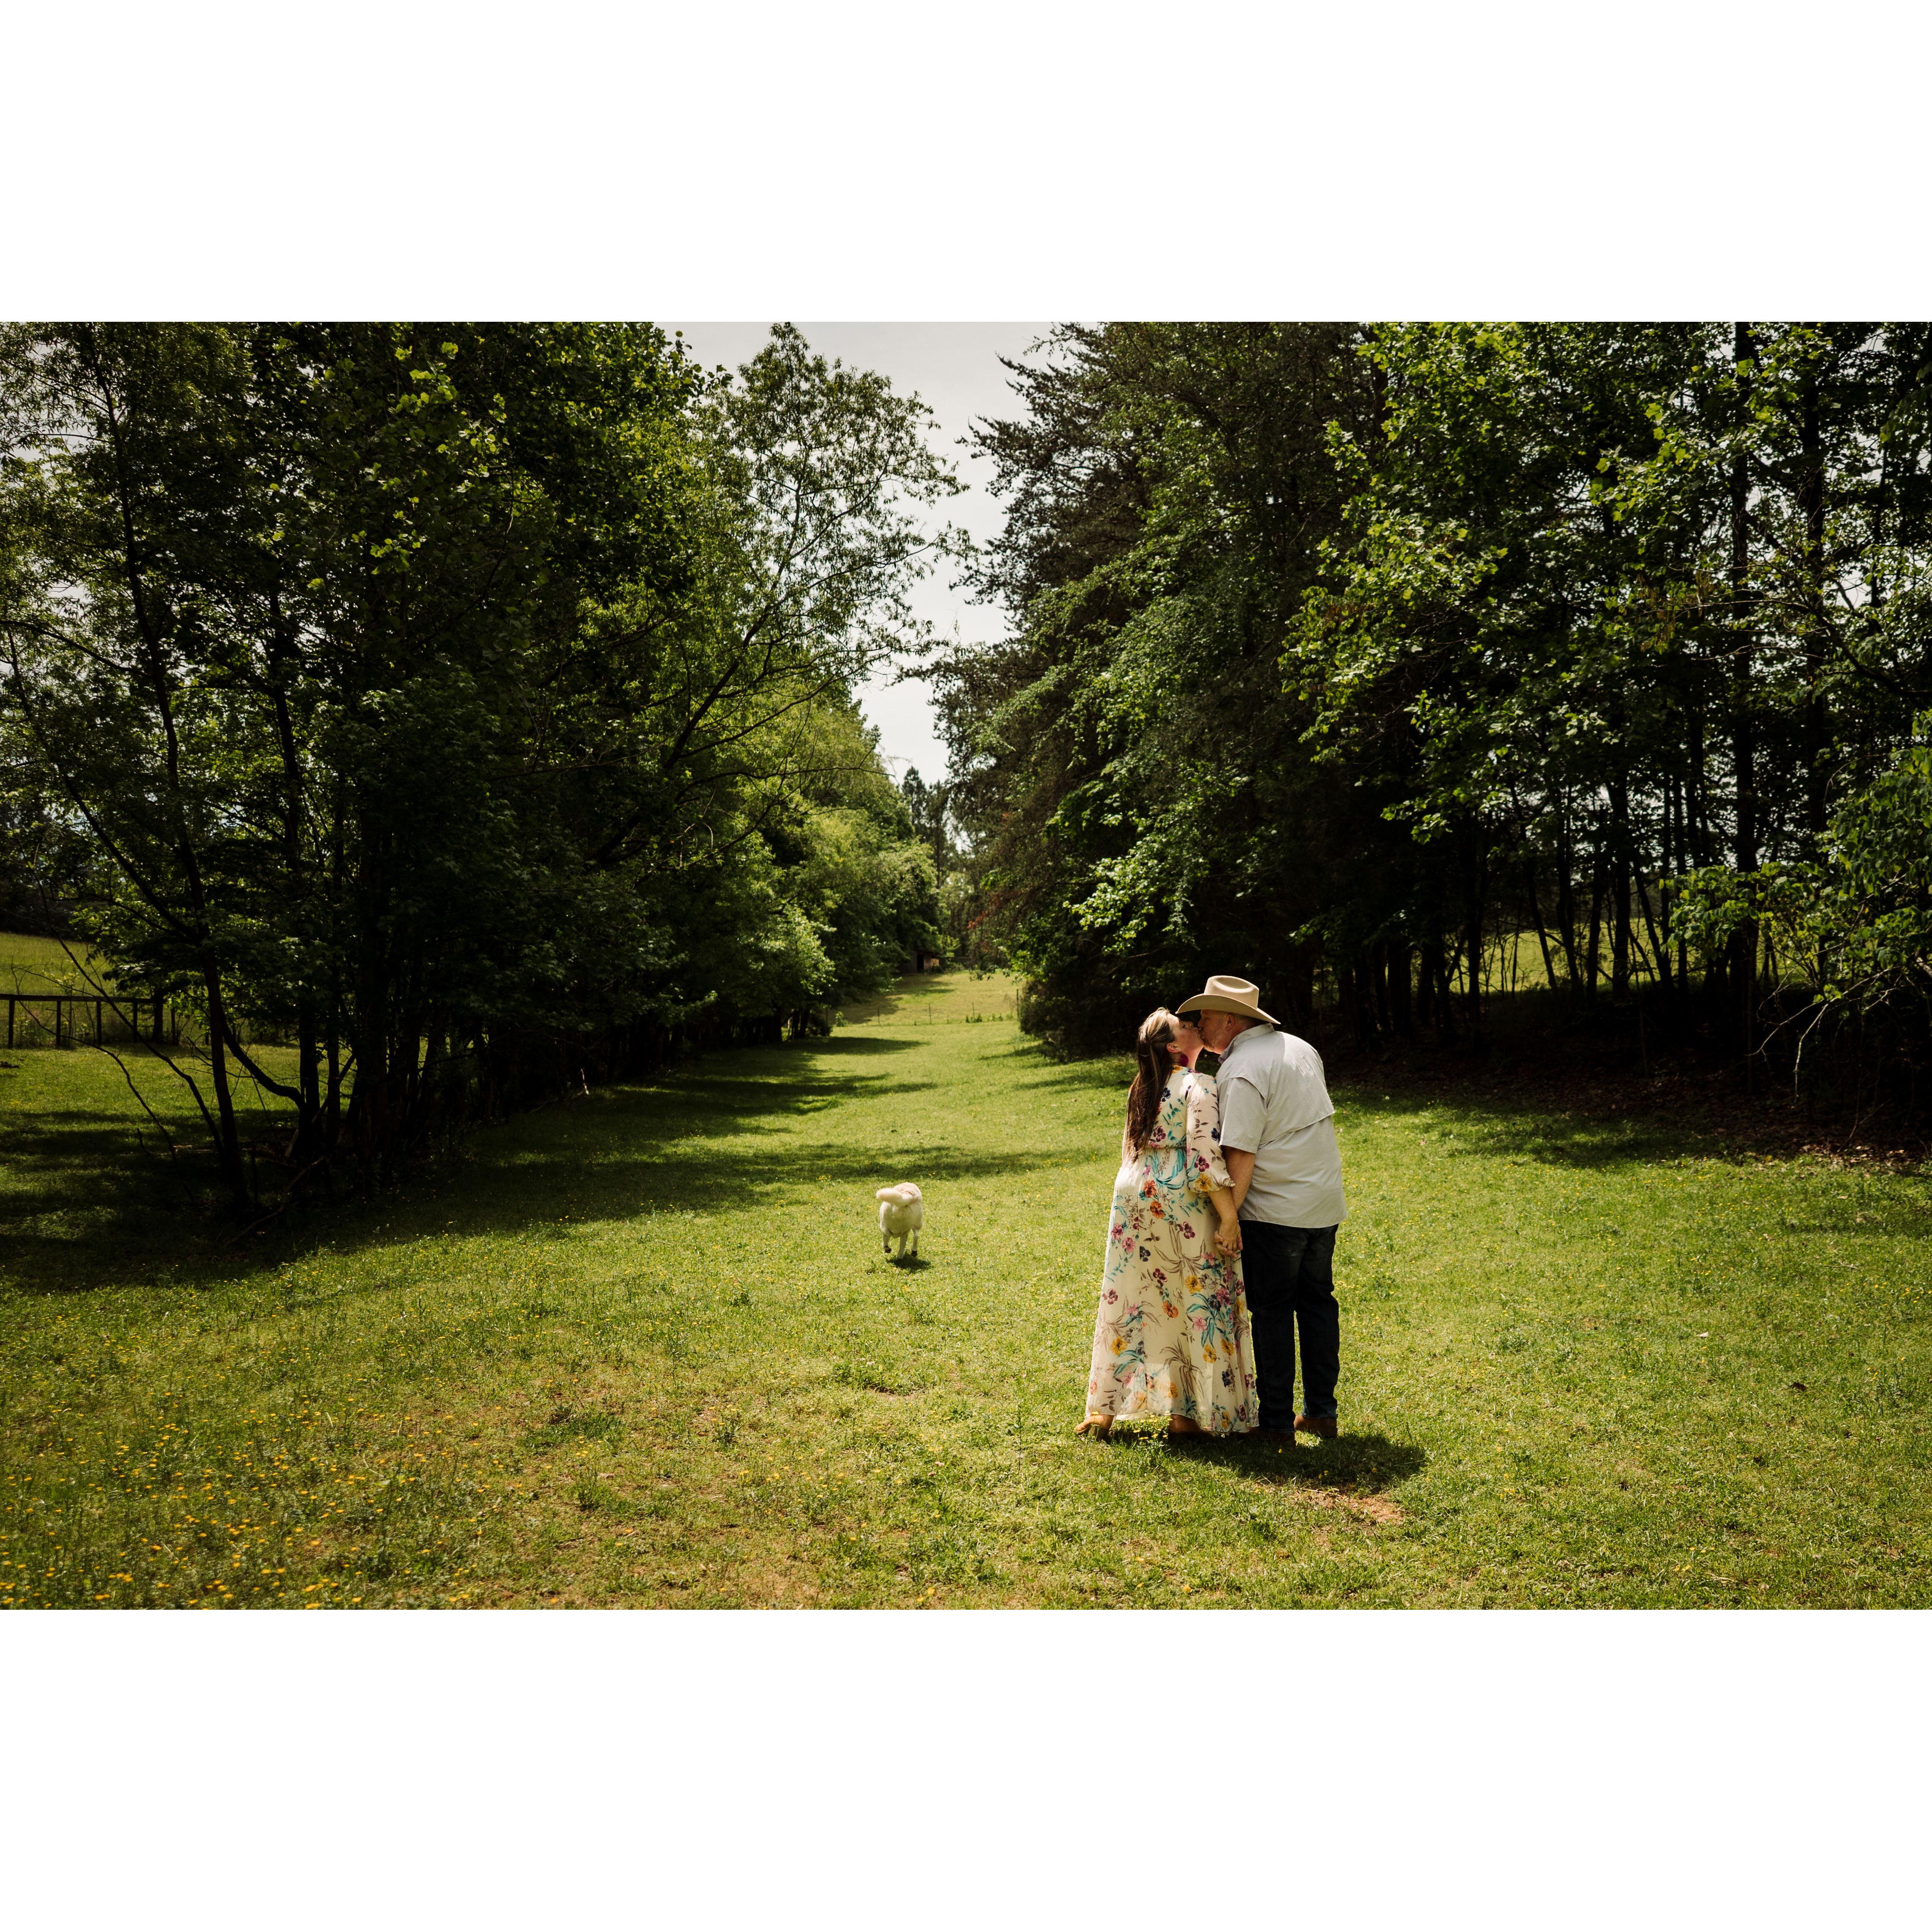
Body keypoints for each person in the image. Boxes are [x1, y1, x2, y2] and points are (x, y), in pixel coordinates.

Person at [1176, 975, 1347, 1439]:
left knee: (1272, 1313)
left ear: (1231, 1020)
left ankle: (1274, 1424)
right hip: (1323, 1201)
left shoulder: (1242, 1068)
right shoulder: (1299, 1047)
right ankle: (1321, 1412)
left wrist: (1229, 1218)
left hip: (1276, 1209)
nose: (1201, 1026)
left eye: (1207, 1018)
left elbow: (1241, 1153)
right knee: (1317, 1305)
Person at [1077, 1008, 1257, 1438]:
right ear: (1175, 1047)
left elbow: (1129, 1147)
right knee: (1193, 1299)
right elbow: (1204, 1158)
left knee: (1131, 1297)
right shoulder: (1199, 1085)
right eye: (1186, 1026)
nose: (1194, 1025)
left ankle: (1105, 1411)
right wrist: (1229, 1217)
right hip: (1180, 1196)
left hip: (1134, 1191)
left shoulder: (1141, 1087)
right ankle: (1189, 1414)